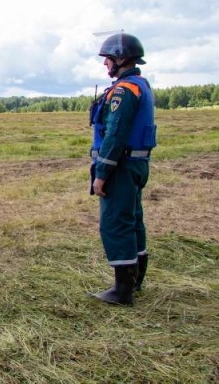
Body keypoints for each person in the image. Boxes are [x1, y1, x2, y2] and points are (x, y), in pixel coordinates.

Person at [89, 32, 156, 306]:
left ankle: (122, 290)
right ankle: (135, 280)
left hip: (121, 166)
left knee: (116, 224)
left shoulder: (124, 91)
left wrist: (101, 174)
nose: (105, 64)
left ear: (121, 59)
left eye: (108, 59)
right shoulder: (141, 85)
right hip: (136, 165)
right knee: (132, 220)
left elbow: (115, 135)